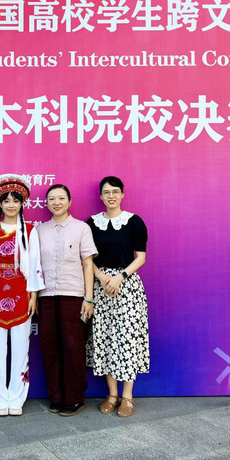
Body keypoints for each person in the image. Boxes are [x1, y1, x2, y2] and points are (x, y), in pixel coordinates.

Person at [0, 174, 44, 416]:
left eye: (16, 200)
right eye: (6, 201)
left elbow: (34, 264)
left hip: (21, 291)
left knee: (21, 347)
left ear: (22, 203)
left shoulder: (31, 231)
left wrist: (33, 295)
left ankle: (16, 397)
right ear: (0, 203)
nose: (11, 205)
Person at [86, 176, 149, 418]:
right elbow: (87, 257)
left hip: (127, 287)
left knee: (127, 339)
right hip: (101, 287)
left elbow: (141, 257)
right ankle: (112, 395)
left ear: (122, 194)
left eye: (115, 191)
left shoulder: (134, 222)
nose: (111, 196)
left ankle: (127, 396)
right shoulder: (92, 223)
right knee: (105, 338)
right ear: (100, 196)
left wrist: (120, 277)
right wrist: (101, 277)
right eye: (106, 192)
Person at [35, 184, 97, 417]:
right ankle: (56, 396)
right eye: (52, 199)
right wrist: (35, 296)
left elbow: (88, 264)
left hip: (73, 295)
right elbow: (34, 266)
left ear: (70, 202)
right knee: (49, 347)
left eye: (61, 198)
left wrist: (88, 298)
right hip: (46, 296)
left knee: (72, 347)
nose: (57, 202)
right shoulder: (39, 230)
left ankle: (74, 398)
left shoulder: (81, 228)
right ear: (47, 203)